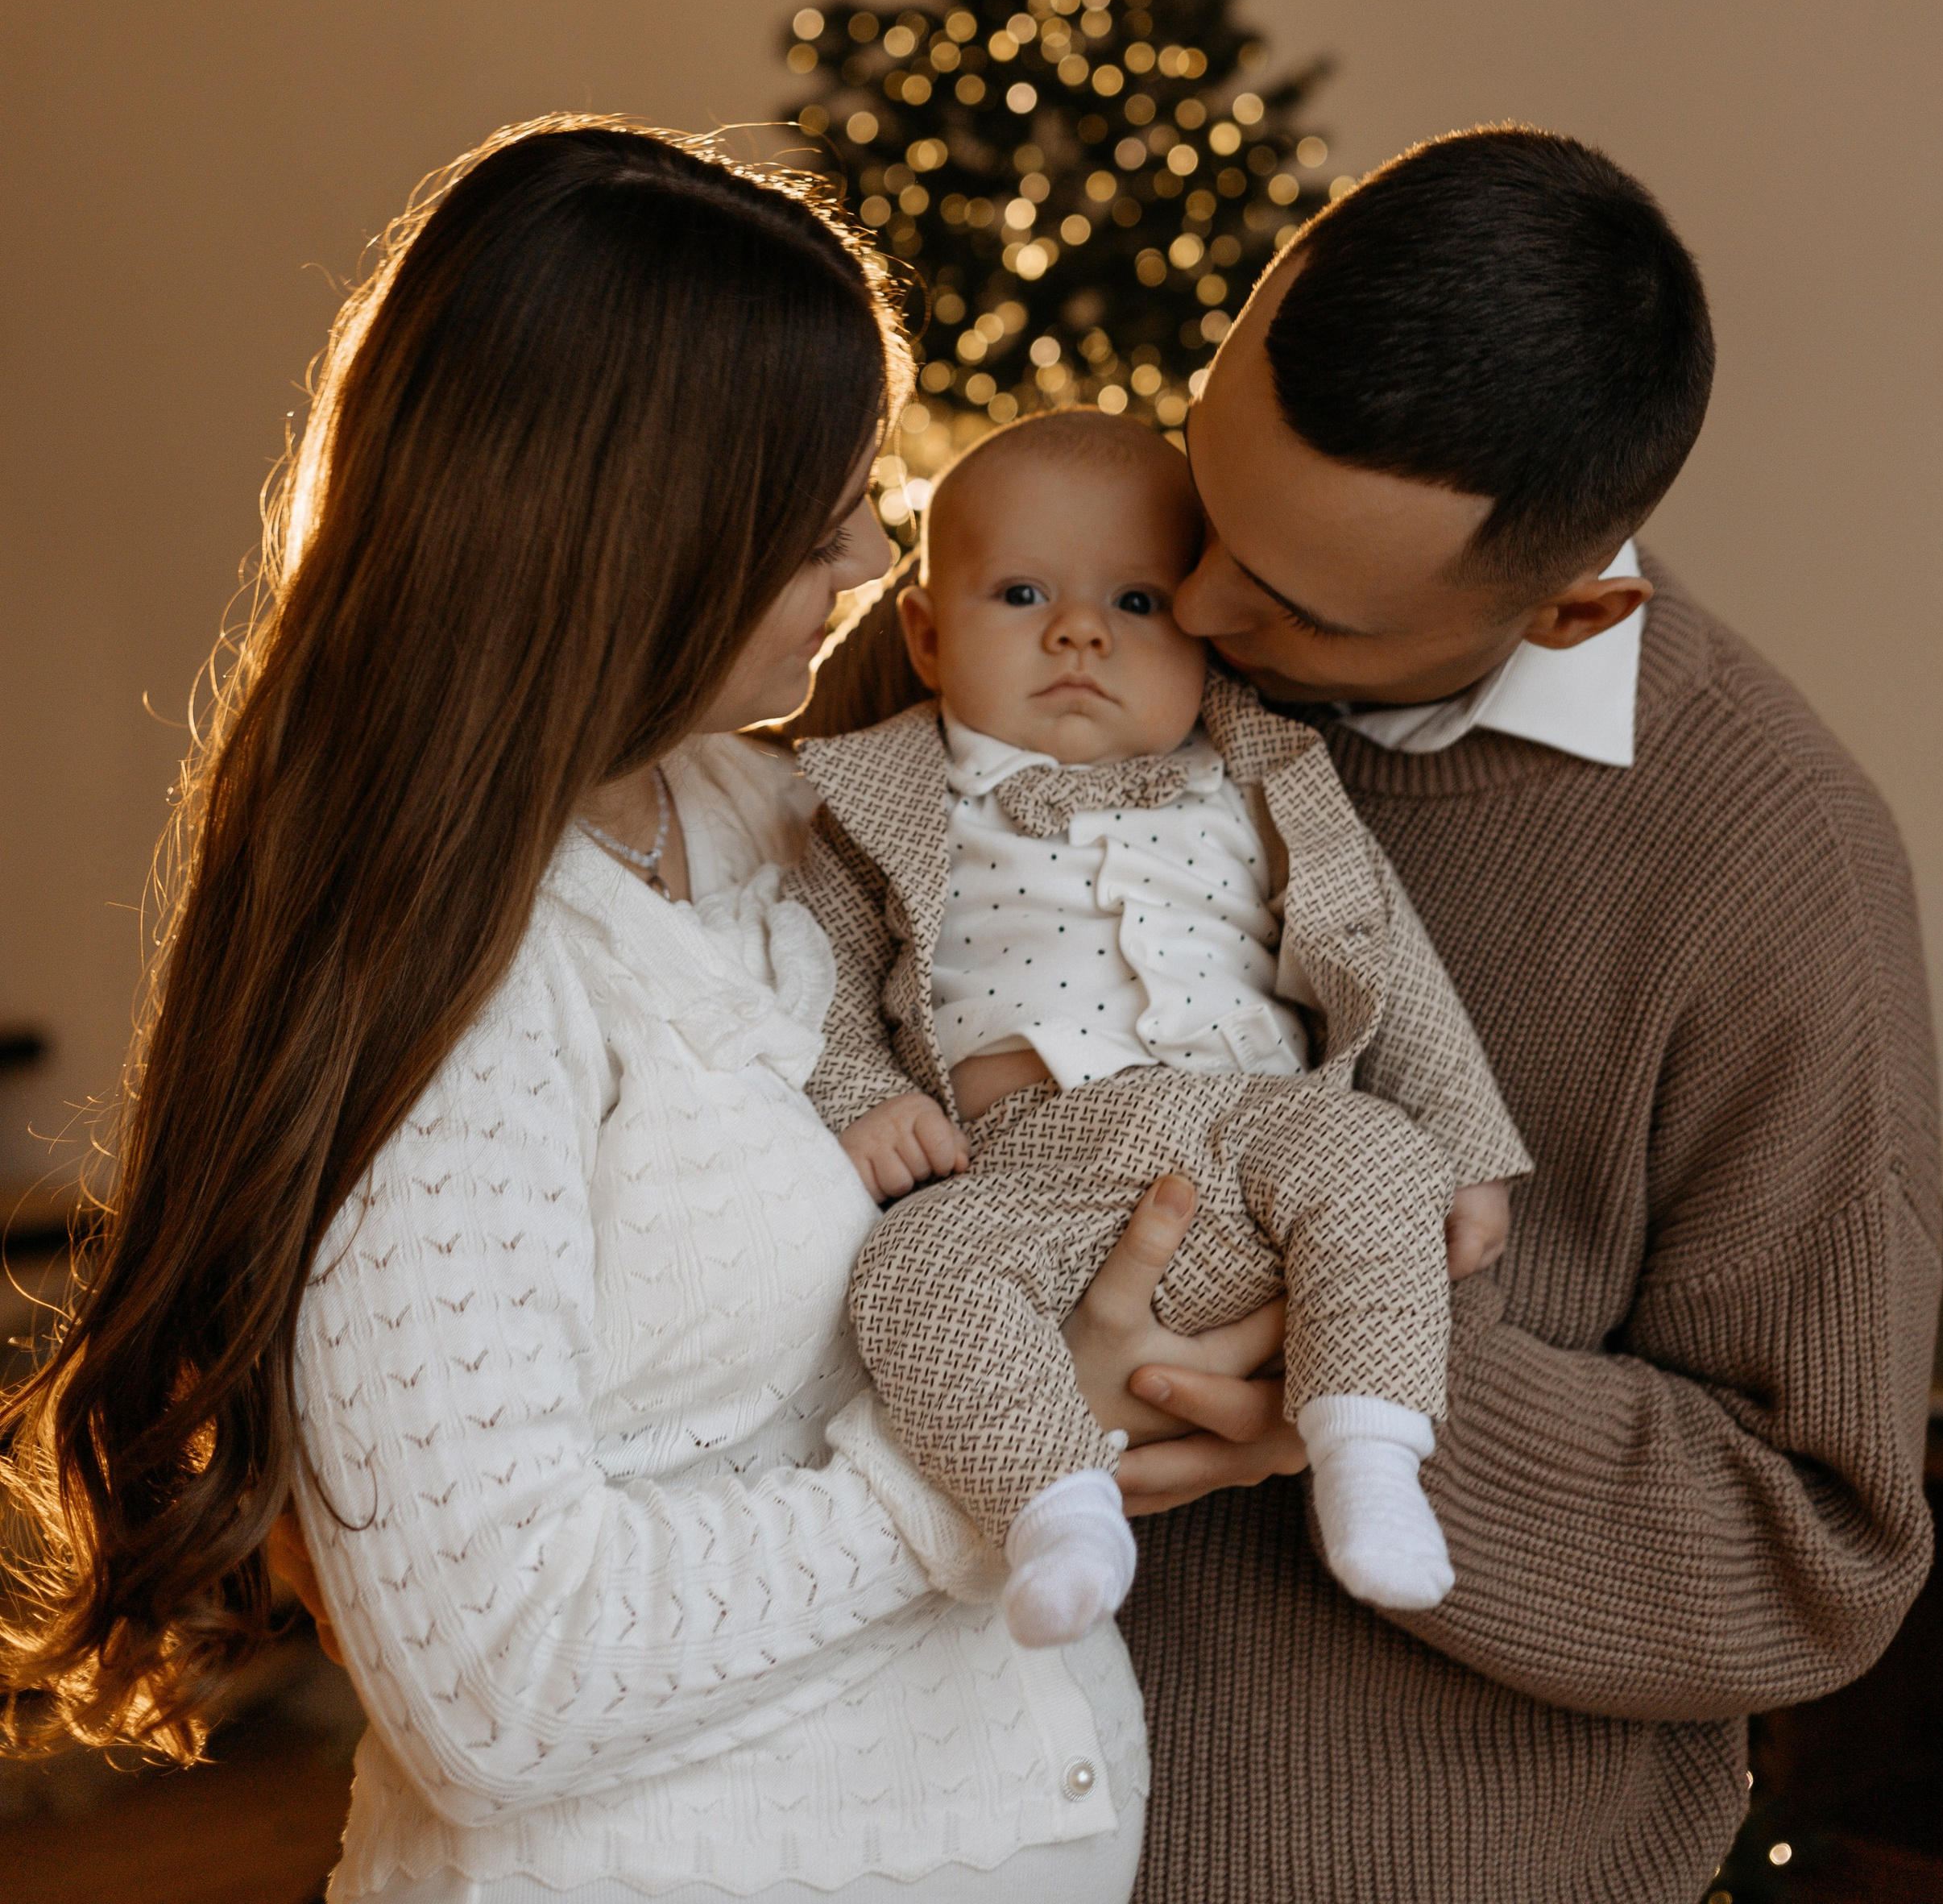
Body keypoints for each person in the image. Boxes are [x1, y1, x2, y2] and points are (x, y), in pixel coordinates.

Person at [0, 117, 1277, 1904]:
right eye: (820, 511)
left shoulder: (770, 820)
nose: (865, 560)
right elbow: (497, 1688)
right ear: (633, 541)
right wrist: (992, 1456)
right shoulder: (456, 982)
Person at [804, 126, 1943, 1904]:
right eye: (1206, 497)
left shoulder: (1766, 862)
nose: (1180, 607)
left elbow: (1812, 1555)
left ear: (1572, 603)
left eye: (1284, 607)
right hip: (917, 1840)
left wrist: (1329, 1364)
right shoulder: (1035, 615)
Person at [789, 408, 1530, 1646]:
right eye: (1021, 593)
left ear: (1207, 639)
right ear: (923, 635)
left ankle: (1371, 1459)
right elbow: (808, 980)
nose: (1078, 632)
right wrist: (861, 1095)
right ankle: (1056, 1508)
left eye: (1135, 603)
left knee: (1385, 1158)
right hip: (1034, 1166)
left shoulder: (1266, 776)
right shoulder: (875, 801)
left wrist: (1465, 1135)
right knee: (910, 1275)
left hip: (1259, 1129)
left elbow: (1389, 959)